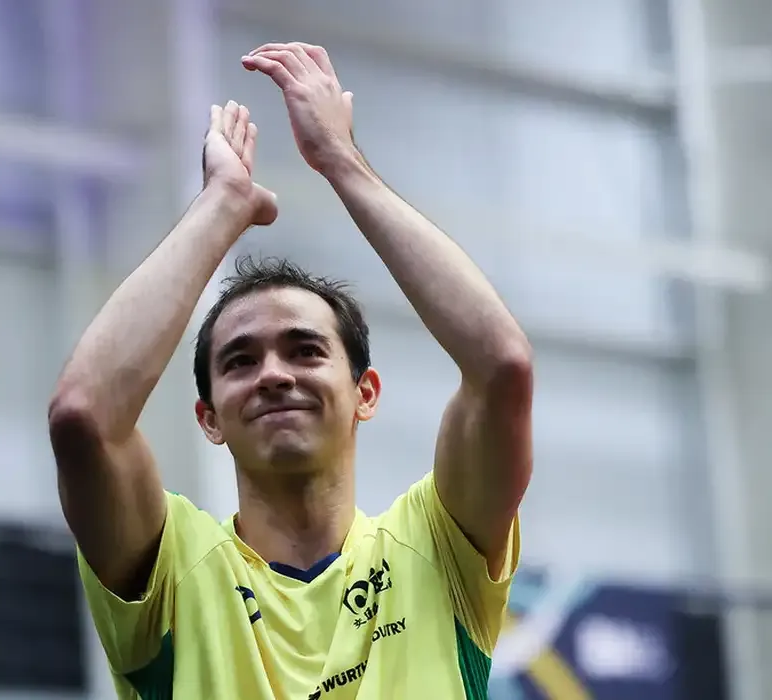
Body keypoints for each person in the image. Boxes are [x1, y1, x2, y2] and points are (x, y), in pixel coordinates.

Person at [48, 41, 533, 700]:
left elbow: (501, 366)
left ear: (365, 393)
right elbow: (84, 418)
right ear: (209, 418)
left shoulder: (436, 549)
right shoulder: (173, 571)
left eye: (305, 350)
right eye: (240, 361)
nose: (274, 374)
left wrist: (341, 160)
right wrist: (222, 206)